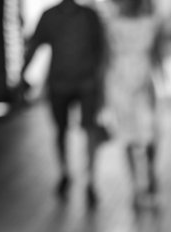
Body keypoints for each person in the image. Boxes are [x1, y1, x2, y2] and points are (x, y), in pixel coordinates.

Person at [21, 0, 109, 207]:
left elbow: (102, 49)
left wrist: (100, 79)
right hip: (60, 83)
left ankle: (90, 179)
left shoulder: (89, 16)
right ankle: (65, 172)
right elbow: (35, 45)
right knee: (61, 130)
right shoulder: (50, 16)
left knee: (89, 129)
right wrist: (22, 74)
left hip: (86, 83)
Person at [103, 0, 165, 208]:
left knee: (150, 133)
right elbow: (106, 57)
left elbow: (157, 56)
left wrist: (165, 84)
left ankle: (149, 173)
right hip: (121, 84)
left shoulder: (151, 24)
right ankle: (135, 186)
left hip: (144, 84)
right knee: (128, 136)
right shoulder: (111, 25)